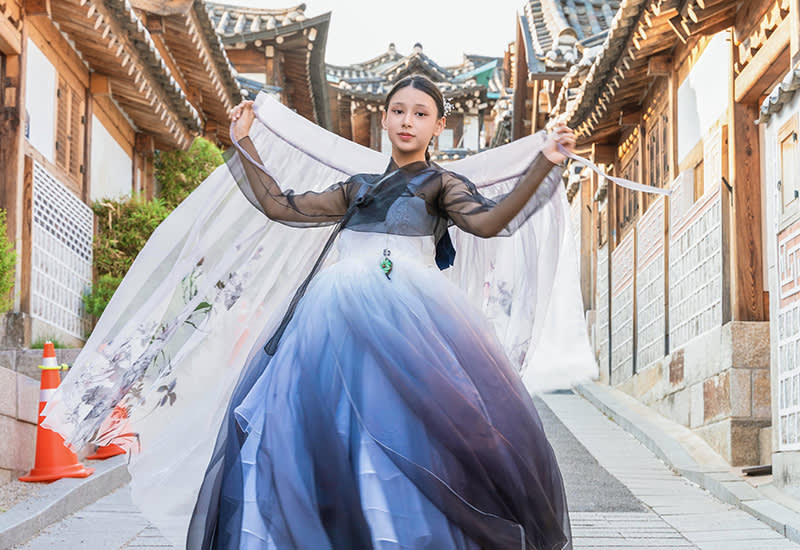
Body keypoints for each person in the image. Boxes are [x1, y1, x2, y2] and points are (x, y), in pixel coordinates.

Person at [41, 75, 594, 550]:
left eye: (420, 114)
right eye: (398, 111)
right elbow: (281, 206)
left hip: (410, 319)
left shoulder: (441, 184)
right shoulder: (357, 188)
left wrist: (543, 166)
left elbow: (491, 222)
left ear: (437, 127)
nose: (407, 121)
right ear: (384, 118)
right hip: (331, 317)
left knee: (404, 431)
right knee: (317, 430)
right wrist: (245, 144)